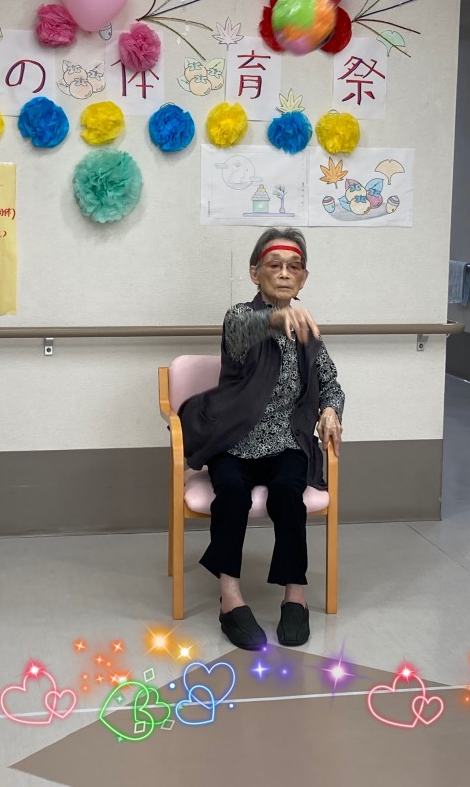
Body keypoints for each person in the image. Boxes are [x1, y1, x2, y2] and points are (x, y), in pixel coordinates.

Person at [179, 228, 344, 650]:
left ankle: (295, 595)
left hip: (287, 441)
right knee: (232, 493)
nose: (285, 273)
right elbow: (241, 329)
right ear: (256, 273)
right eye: (274, 265)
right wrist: (273, 318)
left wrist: (330, 410)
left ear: (303, 279)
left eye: (294, 267)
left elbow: (330, 382)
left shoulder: (308, 332)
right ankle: (230, 598)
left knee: (289, 492)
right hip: (234, 439)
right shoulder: (241, 317)